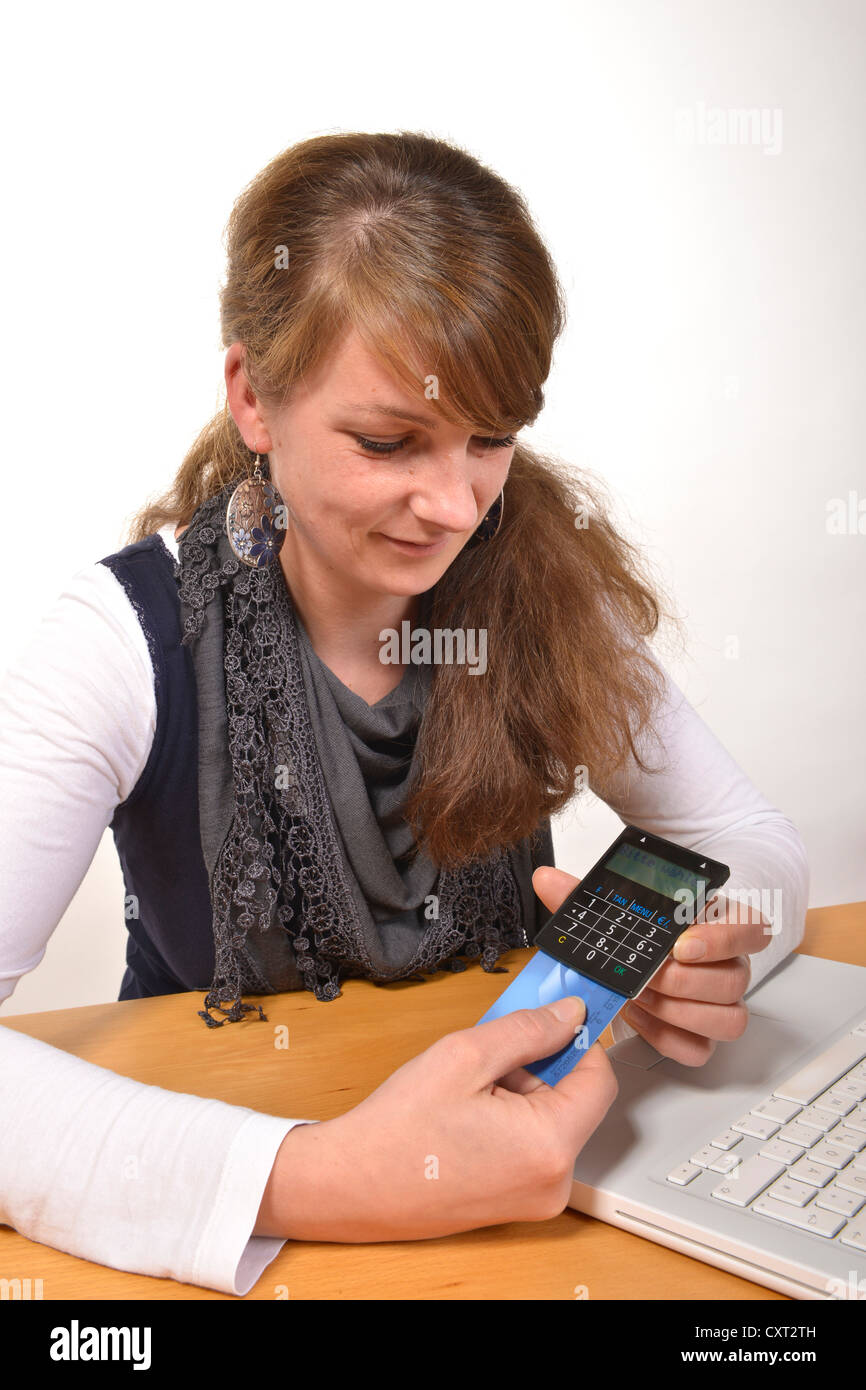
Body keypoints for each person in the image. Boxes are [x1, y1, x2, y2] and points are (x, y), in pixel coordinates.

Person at [0, 130, 809, 1293]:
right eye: (388, 442)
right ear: (254, 398)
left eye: (491, 439)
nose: (452, 504)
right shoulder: (119, 639)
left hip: (528, 1199)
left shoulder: (539, 582)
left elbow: (754, 843)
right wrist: (329, 1177)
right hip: (208, 1214)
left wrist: (699, 938)